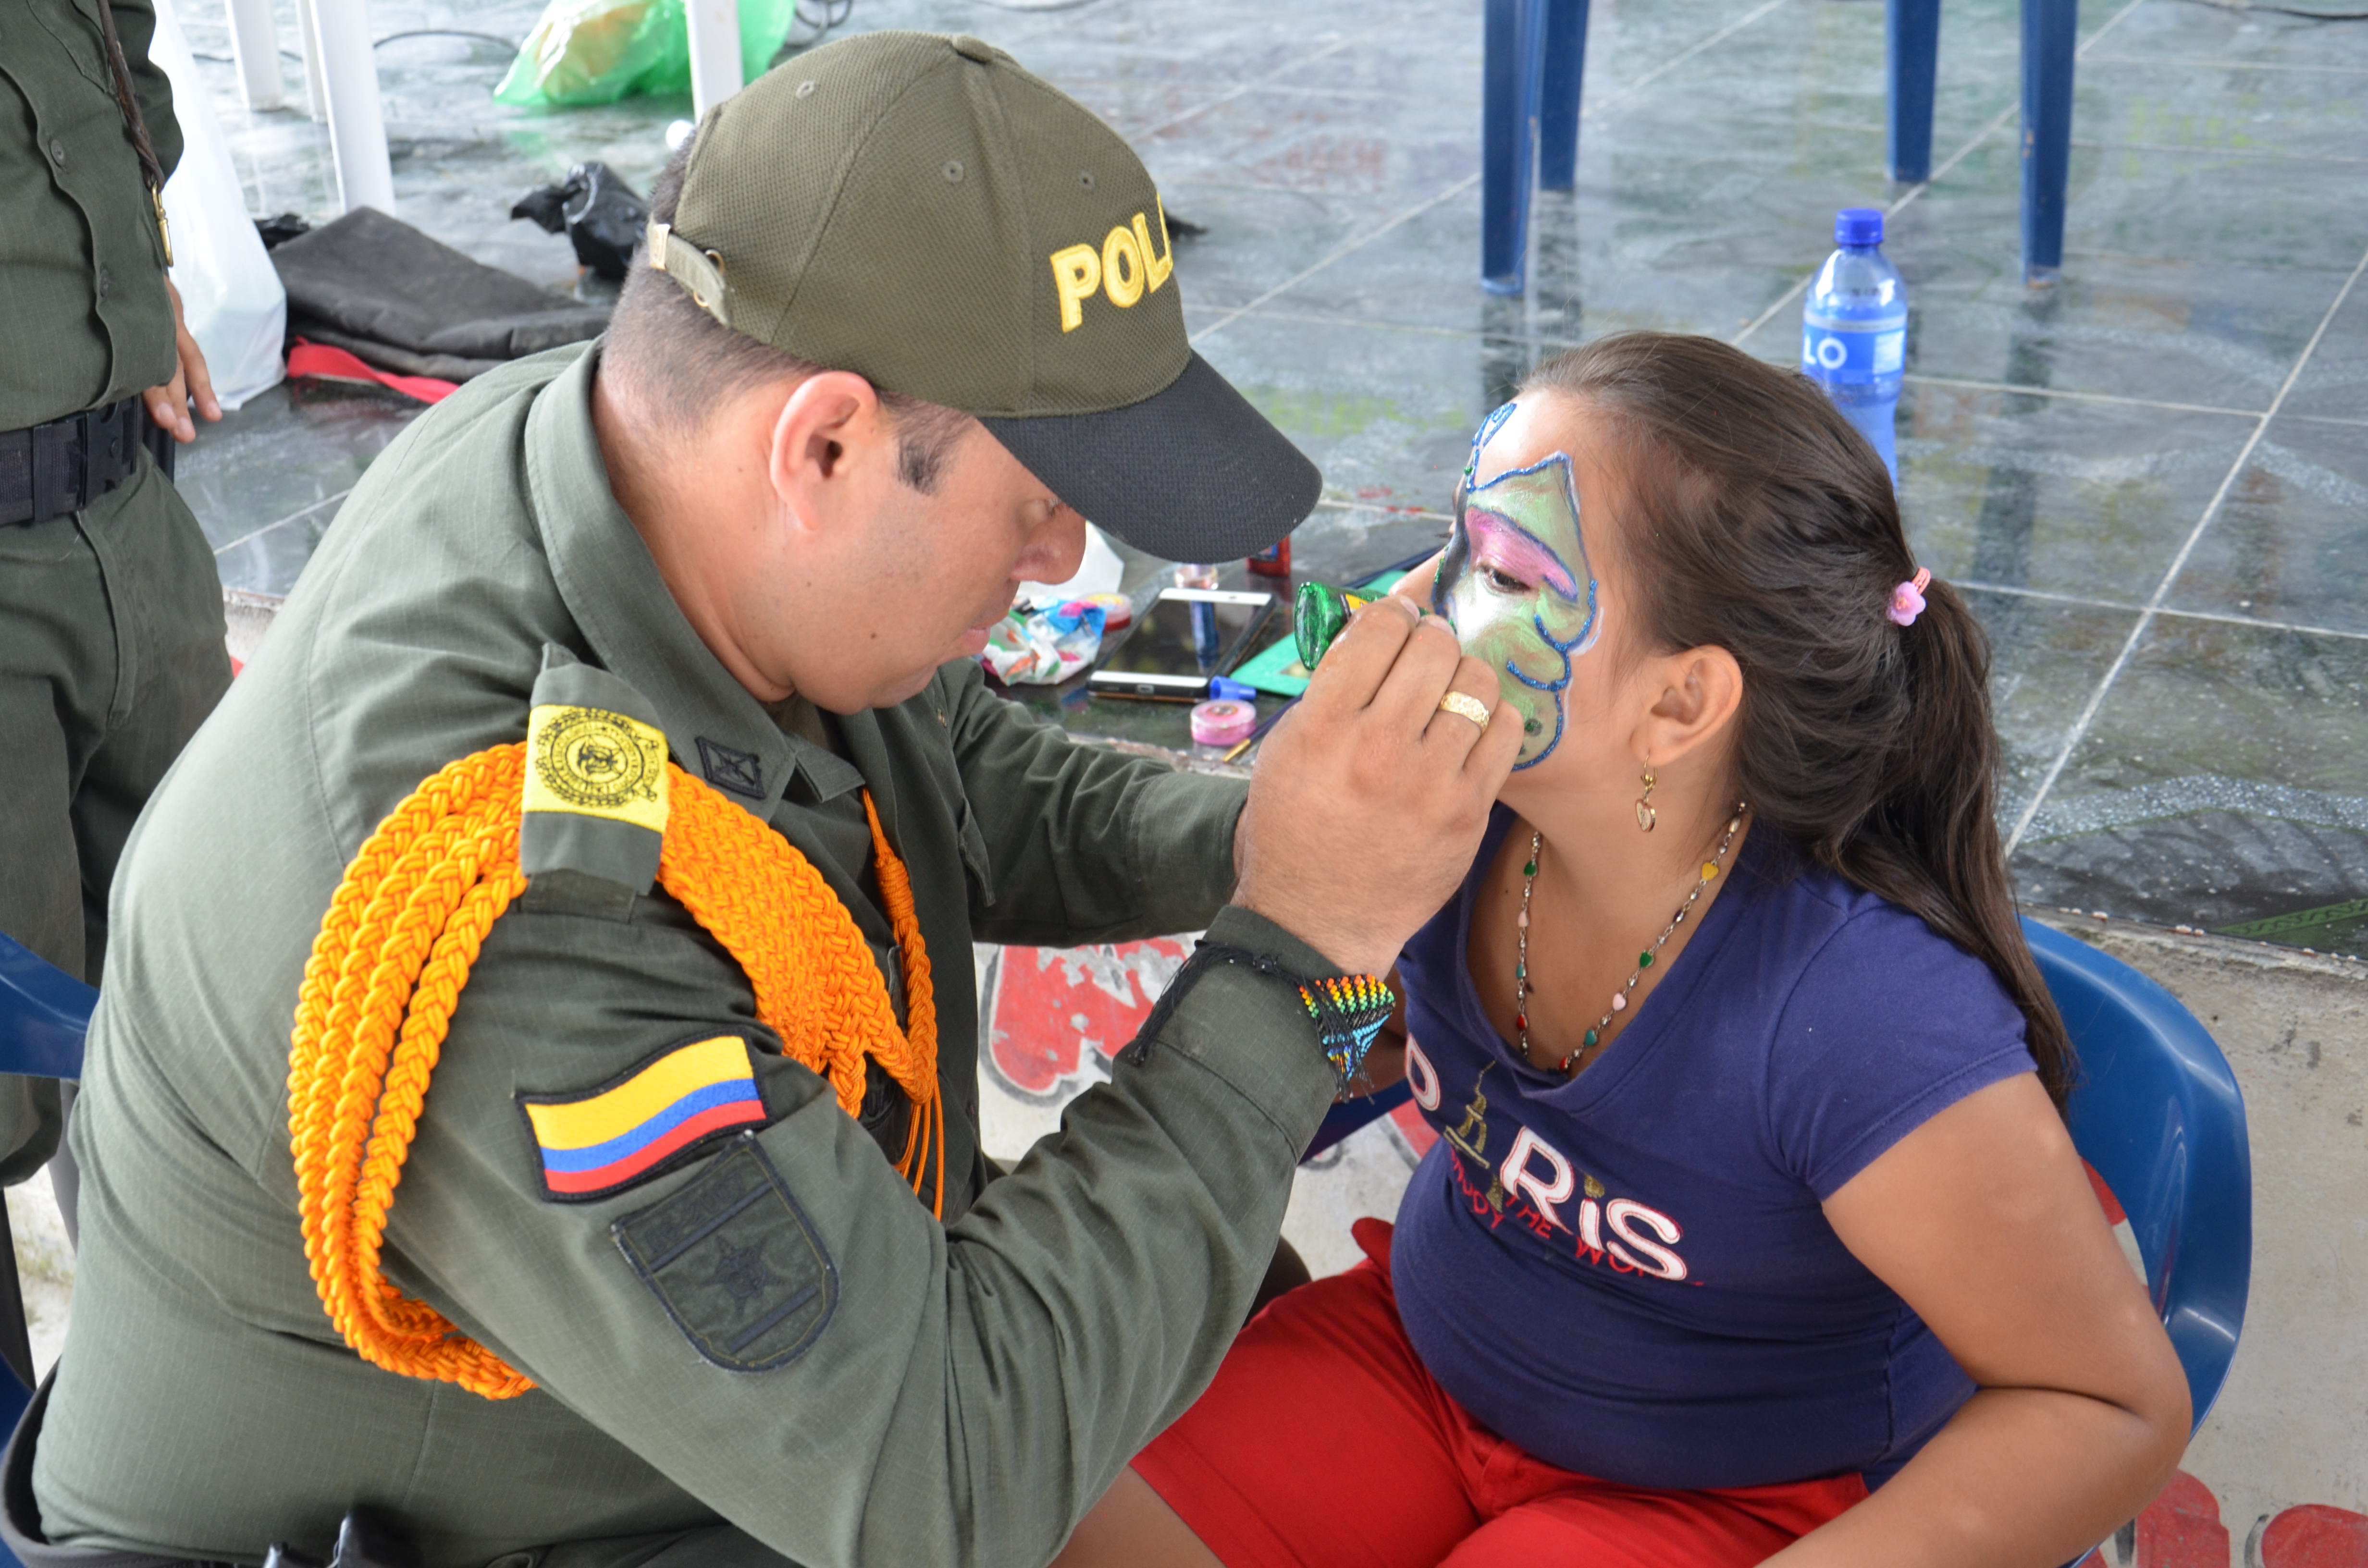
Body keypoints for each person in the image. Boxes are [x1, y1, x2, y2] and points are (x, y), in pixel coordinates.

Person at [12, 30, 1522, 1568]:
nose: (1066, 560)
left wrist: (1274, 841)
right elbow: (950, 1479)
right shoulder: (506, 908)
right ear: (827, 444)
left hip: (615, 1440)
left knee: (1223, 1285)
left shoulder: (642, 464)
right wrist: (1304, 958)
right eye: (1041, 500)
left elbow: (952, 771)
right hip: (448, 1527)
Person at [1056, 333, 2193, 1568]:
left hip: (1732, 1494)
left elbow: (2106, 1406)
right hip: (1421, 1357)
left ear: (1679, 705)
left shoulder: (1860, 1018)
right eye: (1453, 536)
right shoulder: (1448, 830)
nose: (1413, 598)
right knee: (1047, 1522)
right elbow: (1354, 1057)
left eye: (1499, 571)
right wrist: (1308, 942)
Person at [0, 0, 229, 1248]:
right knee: (3, 1072)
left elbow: (110, 44)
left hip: (131, 505)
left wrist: (142, 283)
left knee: (206, 977)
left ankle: (181, 1396)